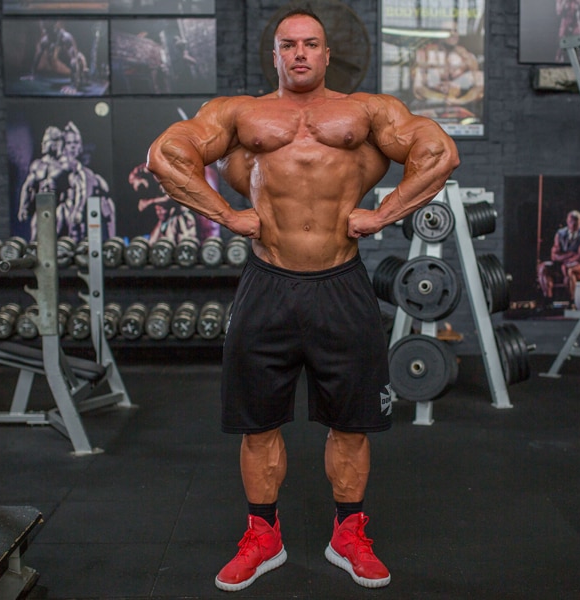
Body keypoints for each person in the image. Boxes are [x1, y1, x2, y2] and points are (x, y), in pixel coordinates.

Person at [146, 7, 459, 592]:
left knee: (352, 422)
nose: (299, 54)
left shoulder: (365, 112)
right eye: (288, 44)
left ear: (326, 52)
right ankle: (263, 537)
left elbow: (438, 152)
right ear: (275, 54)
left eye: (310, 44)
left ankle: (349, 535)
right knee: (258, 423)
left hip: (342, 283)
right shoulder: (242, 114)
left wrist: (385, 213)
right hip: (268, 282)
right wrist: (224, 213)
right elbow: (167, 154)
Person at [411, 22, 483, 109]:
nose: (452, 34)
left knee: (480, 76)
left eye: (455, 31)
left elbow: (479, 86)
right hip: (431, 104)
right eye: (448, 31)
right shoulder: (427, 54)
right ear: (440, 34)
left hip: (460, 104)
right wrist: (442, 99)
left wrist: (460, 101)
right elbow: (418, 87)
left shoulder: (467, 56)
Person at [537, 209, 580, 308]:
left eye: (576, 222)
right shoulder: (560, 234)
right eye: (571, 221)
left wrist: (564, 257)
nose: (573, 224)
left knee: (568, 269)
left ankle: (571, 301)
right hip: (563, 264)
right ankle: (548, 300)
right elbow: (554, 255)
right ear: (567, 221)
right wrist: (571, 254)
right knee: (543, 267)